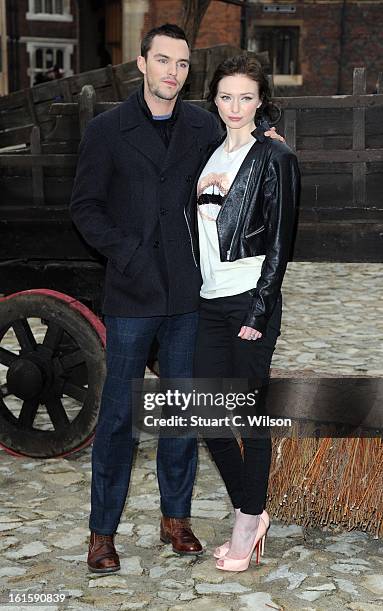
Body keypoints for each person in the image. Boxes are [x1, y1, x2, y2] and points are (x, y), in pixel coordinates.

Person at [70, 24, 283, 574]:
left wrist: (274, 139)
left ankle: (176, 519)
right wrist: (129, 253)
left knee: (183, 413)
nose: (172, 72)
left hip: (190, 296)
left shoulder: (200, 123)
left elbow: (246, 130)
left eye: (182, 64)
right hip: (132, 294)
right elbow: (86, 208)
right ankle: (102, 532)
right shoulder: (107, 129)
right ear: (140, 64)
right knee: (119, 416)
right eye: (162, 61)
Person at [192, 55, 300, 572]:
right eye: (226, 97)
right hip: (208, 300)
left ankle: (247, 519)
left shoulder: (274, 157)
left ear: (261, 102)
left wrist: (260, 308)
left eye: (246, 97)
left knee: (249, 416)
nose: (236, 107)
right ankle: (249, 509)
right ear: (214, 100)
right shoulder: (209, 153)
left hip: (248, 299)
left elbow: (281, 242)